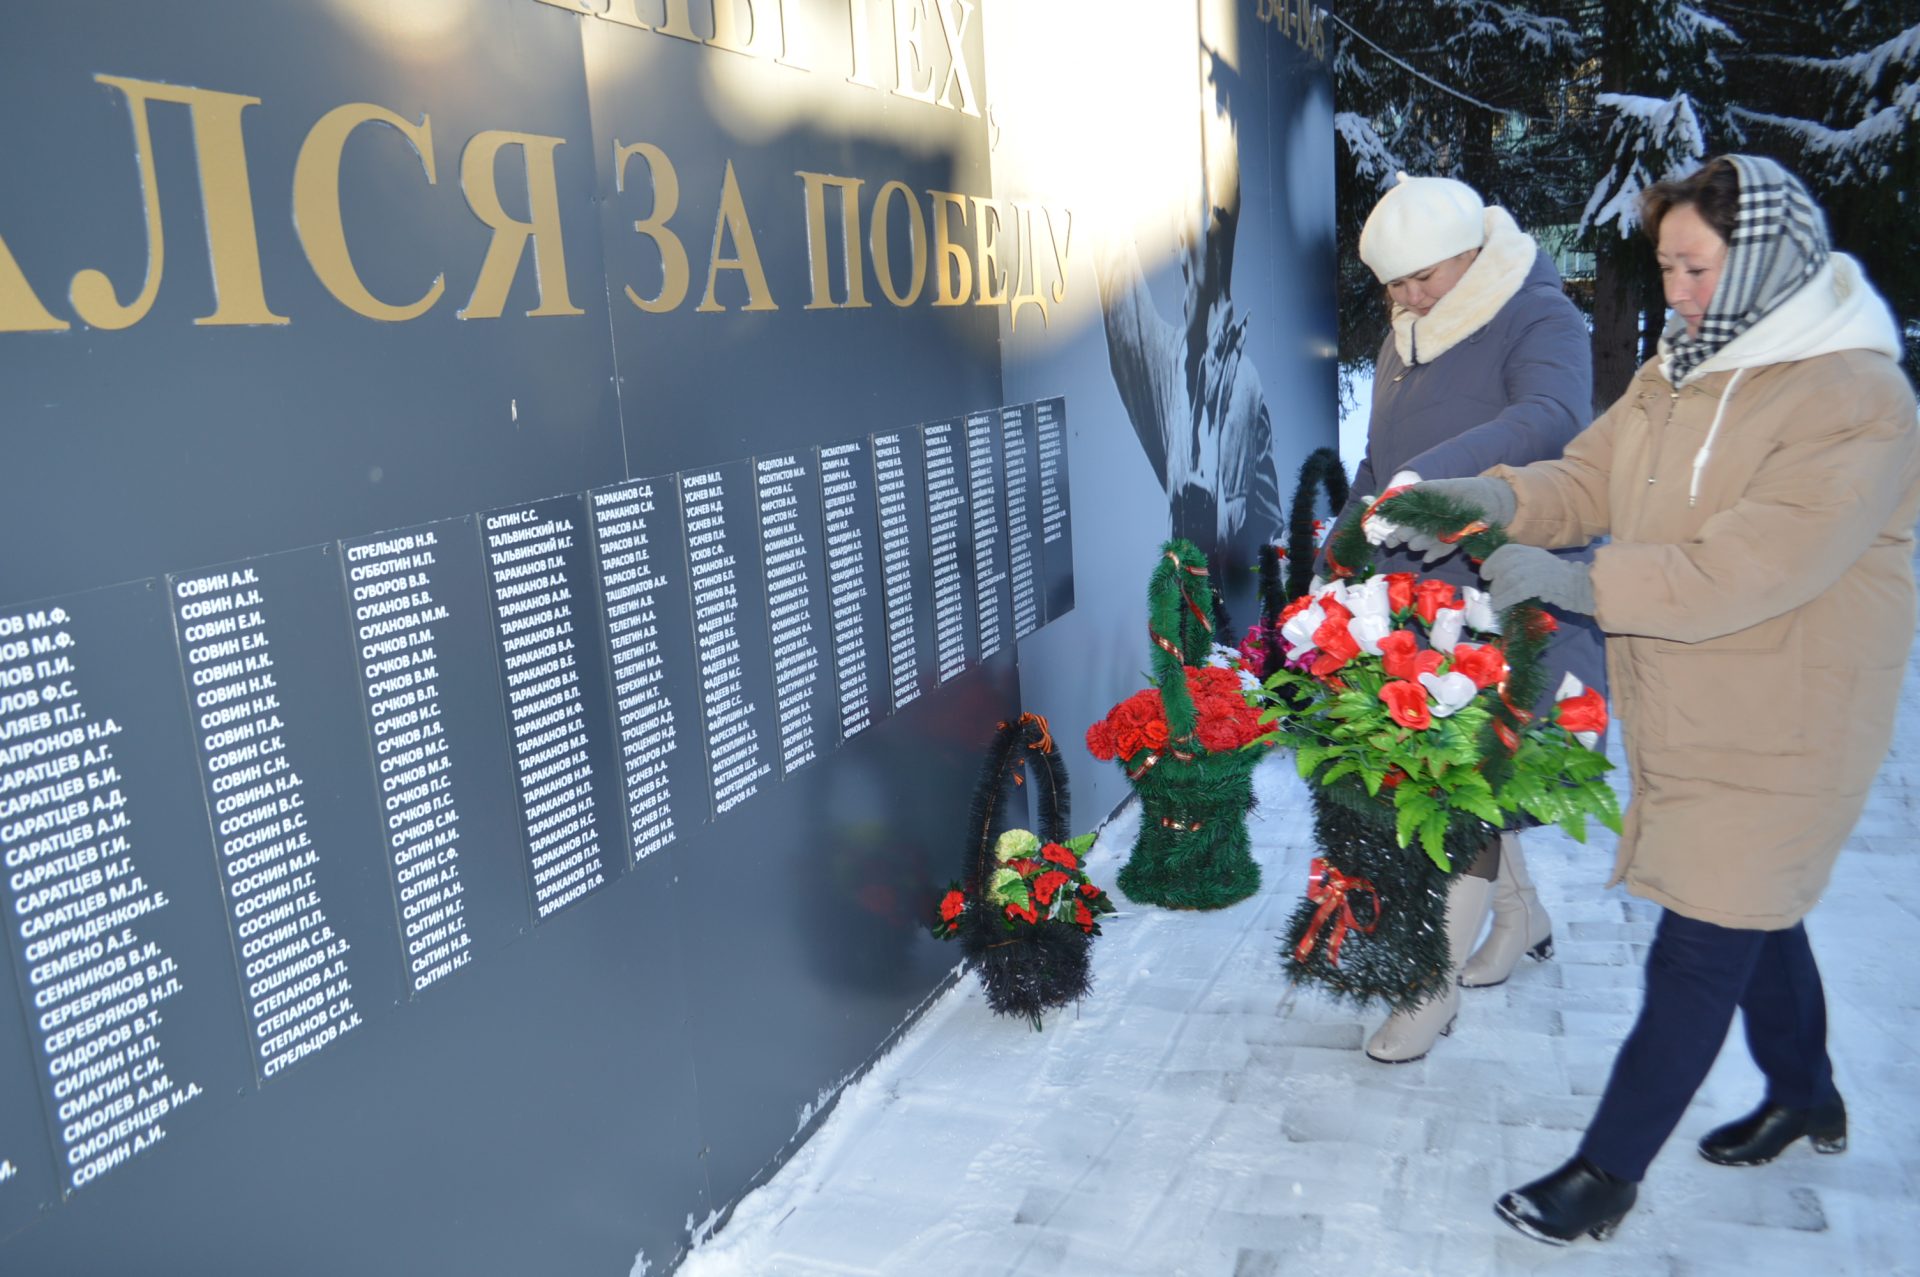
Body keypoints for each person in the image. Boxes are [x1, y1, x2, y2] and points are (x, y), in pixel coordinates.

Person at [1378, 155, 1920, 1244]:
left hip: (1791, 712)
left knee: (1701, 935)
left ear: (1765, 260)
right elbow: (1589, 476)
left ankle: (1603, 1175)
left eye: (1697, 268)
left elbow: (1756, 563)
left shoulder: (1856, 397)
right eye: (1667, 266)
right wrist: (1492, 499)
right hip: (1689, 690)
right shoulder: (1681, 370)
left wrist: (1583, 584)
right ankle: (1806, 1091)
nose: (1678, 291)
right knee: (1757, 906)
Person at [1331, 172, 1606, 1064]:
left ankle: (1430, 985)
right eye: (1394, 285)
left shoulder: (1537, 313)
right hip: (1425, 587)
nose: (1407, 298)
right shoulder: (1410, 328)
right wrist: (1349, 531)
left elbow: (1552, 417)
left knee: (1462, 785)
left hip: (1511, 587)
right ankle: (1519, 916)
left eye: (1423, 278)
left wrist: (1437, 478)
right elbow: (1383, 457)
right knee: (1459, 780)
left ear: (1473, 255)